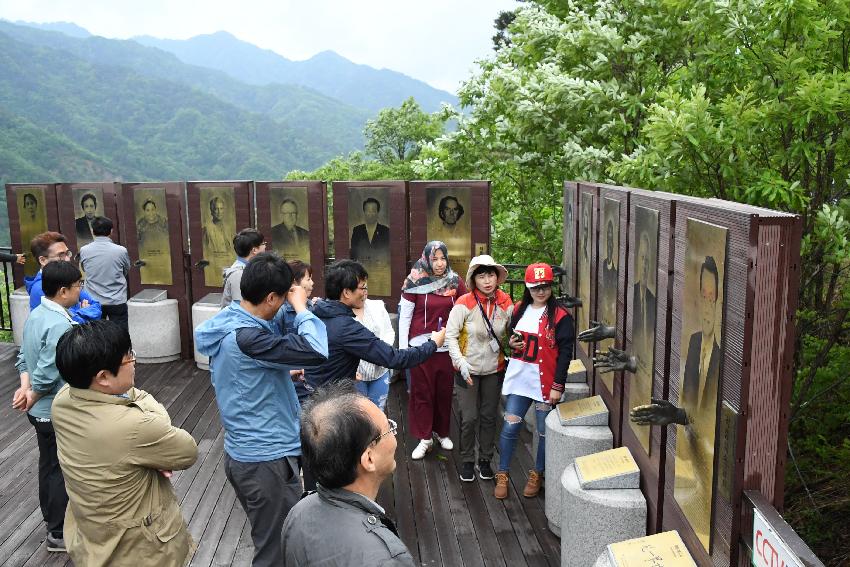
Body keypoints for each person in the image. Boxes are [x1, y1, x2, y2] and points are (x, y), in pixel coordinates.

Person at [194, 252, 329, 567]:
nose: (286, 303)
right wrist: (300, 307)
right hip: (264, 460)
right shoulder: (248, 338)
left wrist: (281, 370)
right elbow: (315, 349)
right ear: (271, 297)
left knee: (275, 542)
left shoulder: (234, 318)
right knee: (276, 552)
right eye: (283, 298)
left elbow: (250, 368)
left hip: (248, 454)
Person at [52, 320, 198, 566]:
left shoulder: (63, 400)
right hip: (139, 550)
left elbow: (131, 396)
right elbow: (187, 451)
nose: (133, 361)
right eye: (128, 357)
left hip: (92, 535)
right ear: (103, 377)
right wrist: (154, 426)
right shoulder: (134, 427)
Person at [281, 383, 415, 567]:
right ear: (368, 459)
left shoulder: (298, 512)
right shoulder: (386, 559)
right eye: (389, 429)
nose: (395, 435)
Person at [11, 261, 83, 552]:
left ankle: (54, 524)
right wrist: (34, 394)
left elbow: (24, 359)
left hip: (39, 411)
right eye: (78, 285)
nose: (81, 289)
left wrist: (25, 389)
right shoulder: (59, 323)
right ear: (63, 291)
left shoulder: (37, 314)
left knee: (49, 466)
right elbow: (49, 369)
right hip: (54, 410)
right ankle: (58, 532)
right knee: (61, 469)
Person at [495, 263, 574, 499]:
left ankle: (537, 472)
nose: (541, 291)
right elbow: (513, 335)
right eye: (536, 287)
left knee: (542, 432)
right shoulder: (519, 308)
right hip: (521, 380)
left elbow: (565, 353)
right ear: (528, 287)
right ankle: (503, 473)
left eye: (546, 286)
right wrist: (512, 343)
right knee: (510, 426)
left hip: (544, 384)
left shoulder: (561, 317)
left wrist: (557, 386)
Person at [305, 259, 444, 391]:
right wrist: (433, 344)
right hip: (328, 402)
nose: (365, 292)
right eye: (362, 287)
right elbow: (394, 358)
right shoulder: (346, 328)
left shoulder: (316, 314)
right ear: (346, 292)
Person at [445, 255, 513, 481]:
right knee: (469, 417)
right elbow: (450, 337)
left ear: (497, 277)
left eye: (491, 275)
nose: (487, 280)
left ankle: (485, 459)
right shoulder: (464, 302)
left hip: (495, 368)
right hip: (467, 369)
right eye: (481, 275)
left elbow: (513, 331)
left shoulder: (505, 302)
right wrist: (460, 362)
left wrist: (514, 341)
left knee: (489, 416)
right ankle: (466, 460)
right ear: (474, 279)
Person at [399, 241, 466, 460]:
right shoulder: (414, 280)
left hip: (447, 347)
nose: (439, 263)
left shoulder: (455, 281)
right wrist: (402, 351)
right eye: (434, 258)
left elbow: (467, 308)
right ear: (426, 259)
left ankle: (442, 432)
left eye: (442, 258)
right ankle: (424, 437)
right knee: (422, 393)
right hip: (420, 347)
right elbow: (405, 317)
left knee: (444, 392)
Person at [26, 232, 101, 323]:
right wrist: (84, 312)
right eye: (61, 255)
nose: (67, 259)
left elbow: (96, 305)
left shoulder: (67, 278)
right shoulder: (41, 287)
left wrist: (78, 314)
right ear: (43, 260)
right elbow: (63, 321)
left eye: (67, 253)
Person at [682, 256, 721, 416]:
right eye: (704, 297)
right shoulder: (694, 342)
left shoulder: (720, 357)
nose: (706, 308)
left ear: (718, 301)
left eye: (711, 299)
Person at [79, 217, 131, 331]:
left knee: (96, 335)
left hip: (93, 299)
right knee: (120, 335)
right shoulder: (121, 250)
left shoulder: (84, 250)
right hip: (117, 300)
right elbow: (126, 270)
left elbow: (84, 269)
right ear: (111, 231)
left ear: (92, 231)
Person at [353, 289, 395, 411]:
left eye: (365, 287)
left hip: (380, 370)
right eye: (360, 287)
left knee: (378, 412)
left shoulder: (377, 306)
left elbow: (389, 332)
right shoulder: (342, 313)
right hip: (355, 375)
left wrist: (381, 352)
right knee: (359, 416)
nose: (364, 291)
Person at [221, 228, 266, 308]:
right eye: (263, 244)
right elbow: (240, 309)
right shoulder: (239, 275)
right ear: (254, 250)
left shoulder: (249, 269)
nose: (265, 246)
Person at [349, 198, 390, 262]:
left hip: (381, 268)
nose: (370, 214)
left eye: (373, 211)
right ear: (364, 212)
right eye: (368, 210)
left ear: (377, 212)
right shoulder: (357, 230)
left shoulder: (385, 231)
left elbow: (388, 252)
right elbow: (354, 252)